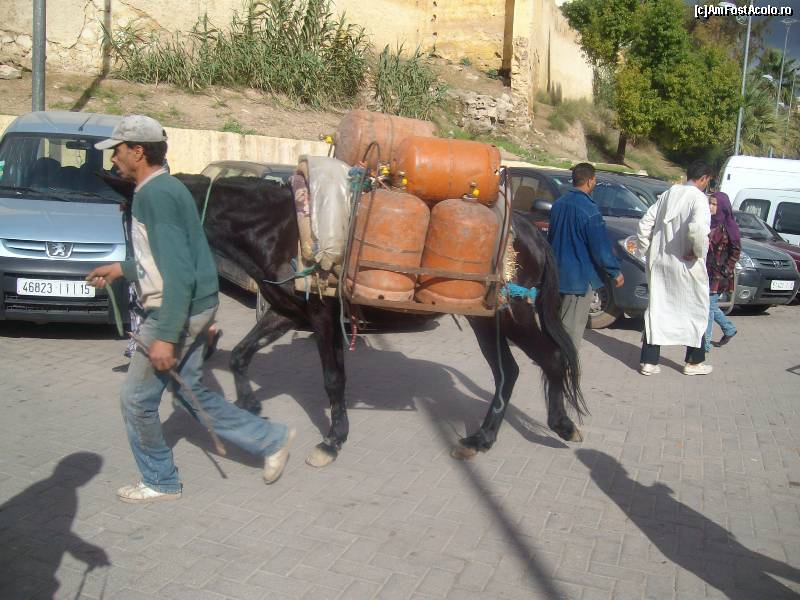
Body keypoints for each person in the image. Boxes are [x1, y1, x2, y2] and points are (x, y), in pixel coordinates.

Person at [86, 115, 295, 503]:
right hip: (195, 305)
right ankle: (272, 439)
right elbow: (169, 256)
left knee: (136, 400)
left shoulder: (155, 196)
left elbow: (178, 272)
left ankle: (160, 480)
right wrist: (122, 269)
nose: (113, 158)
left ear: (138, 151)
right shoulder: (165, 188)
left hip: (174, 310)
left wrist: (166, 336)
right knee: (189, 391)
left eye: (117, 150)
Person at [637, 160, 713, 376]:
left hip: (660, 263)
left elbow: (644, 223)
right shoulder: (699, 198)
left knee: (657, 310)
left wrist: (646, 250)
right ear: (704, 178)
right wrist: (697, 251)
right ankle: (694, 362)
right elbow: (698, 230)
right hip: (687, 265)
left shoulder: (668, 194)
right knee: (696, 310)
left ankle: (649, 362)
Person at [547, 162, 624, 350]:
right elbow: (600, 247)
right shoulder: (590, 209)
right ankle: (566, 361)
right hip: (578, 279)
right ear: (590, 181)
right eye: (594, 180)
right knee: (572, 327)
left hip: (556, 273)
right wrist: (614, 271)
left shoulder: (558, 204)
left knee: (557, 322)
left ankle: (555, 355)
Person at [705, 191, 740, 350]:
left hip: (719, 275)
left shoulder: (729, 227)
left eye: (714, 204)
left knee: (707, 308)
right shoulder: (707, 222)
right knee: (709, 306)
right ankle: (729, 328)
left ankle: (704, 345)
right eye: (709, 203)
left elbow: (736, 251)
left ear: (723, 207)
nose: (710, 207)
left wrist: (726, 269)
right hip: (705, 271)